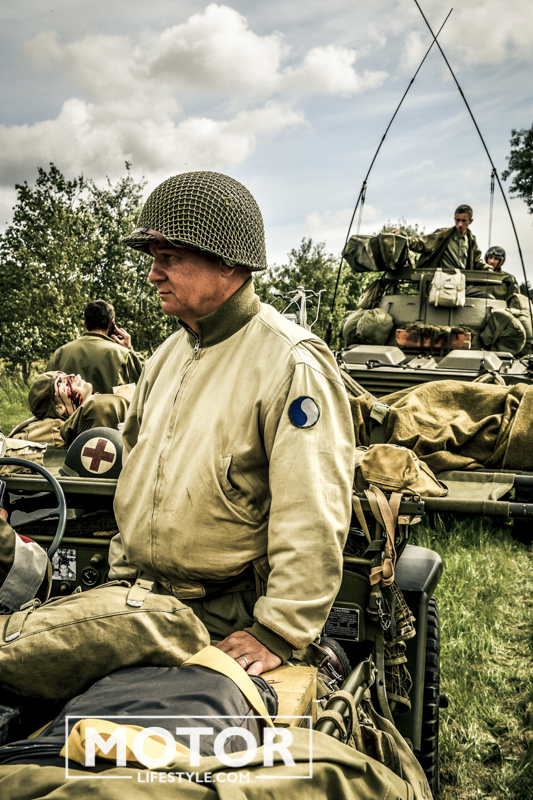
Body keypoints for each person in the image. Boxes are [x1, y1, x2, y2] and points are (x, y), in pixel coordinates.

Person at [106, 170, 356, 676]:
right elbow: (136, 478)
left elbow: (312, 511)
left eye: (168, 257)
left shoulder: (291, 362)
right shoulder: (165, 357)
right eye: (152, 258)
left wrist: (279, 630)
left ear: (227, 262)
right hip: (143, 602)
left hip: (228, 619)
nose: (153, 274)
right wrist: (121, 577)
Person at [46, 300, 144, 395]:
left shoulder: (59, 353)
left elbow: (46, 392)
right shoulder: (124, 355)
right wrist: (129, 349)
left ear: (86, 325)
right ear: (112, 323)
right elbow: (145, 380)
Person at [8, 371, 129, 447]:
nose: (72, 376)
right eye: (59, 383)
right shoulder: (98, 407)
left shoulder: (105, 401)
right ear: (59, 408)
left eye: (65, 375)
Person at [394, 204, 486, 271]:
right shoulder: (443, 235)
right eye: (457, 220)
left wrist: (489, 269)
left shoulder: (471, 241)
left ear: (470, 221)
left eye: (464, 221)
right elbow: (421, 243)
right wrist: (401, 238)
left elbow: (477, 261)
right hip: (442, 281)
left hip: (462, 282)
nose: (460, 224)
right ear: (454, 219)